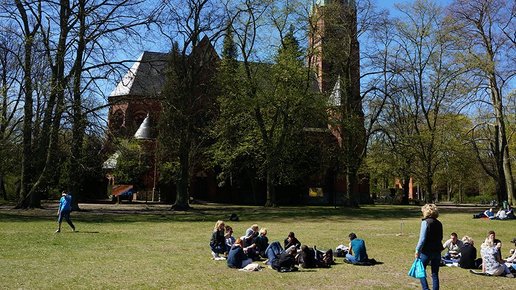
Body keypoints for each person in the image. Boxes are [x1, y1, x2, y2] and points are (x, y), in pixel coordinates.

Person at [415, 204, 443, 290]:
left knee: (420, 271)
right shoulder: (439, 223)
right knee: (435, 274)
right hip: (437, 251)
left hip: (426, 251)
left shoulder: (425, 222)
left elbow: (422, 239)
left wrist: (417, 250)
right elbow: (440, 237)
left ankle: (426, 288)